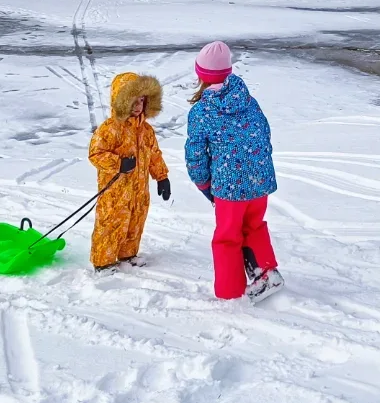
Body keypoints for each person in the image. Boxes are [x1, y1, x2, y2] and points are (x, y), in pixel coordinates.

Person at [184, 42, 283, 301]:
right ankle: (266, 273)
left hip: (230, 187)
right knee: (254, 226)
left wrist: (204, 184)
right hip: (259, 182)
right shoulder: (249, 101)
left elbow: (195, 154)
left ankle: (229, 292)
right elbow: (265, 134)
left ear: (201, 76)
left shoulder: (202, 111)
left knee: (227, 237)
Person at [88, 72, 171, 271]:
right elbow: (95, 154)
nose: (138, 106)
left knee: (135, 221)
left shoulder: (147, 131)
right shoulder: (109, 129)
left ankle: (128, 255)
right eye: (133, 101)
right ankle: (103, 262)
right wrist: (118, 163)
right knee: (111, 223)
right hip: (115, 192)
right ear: (121, 101)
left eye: (141, 101)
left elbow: (154, 155)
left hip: (139, 190)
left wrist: (162, 177)